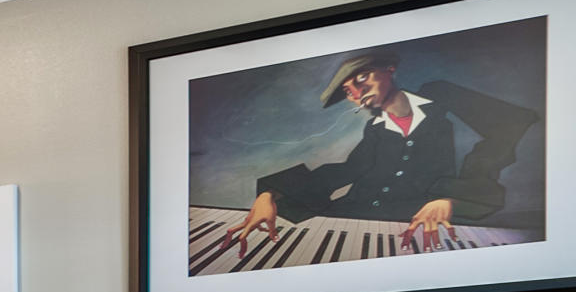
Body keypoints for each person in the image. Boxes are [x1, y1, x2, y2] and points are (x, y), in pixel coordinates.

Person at [229, 50, 540, 250]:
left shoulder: (440, 97)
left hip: (413, 222)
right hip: (356, 215)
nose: (357, 93)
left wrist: (450, 197)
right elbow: (347, 171)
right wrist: (272, 193)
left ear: (389, 68)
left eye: (361, 78)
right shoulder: (376, 128)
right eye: (349, 92)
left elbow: (507, 126)